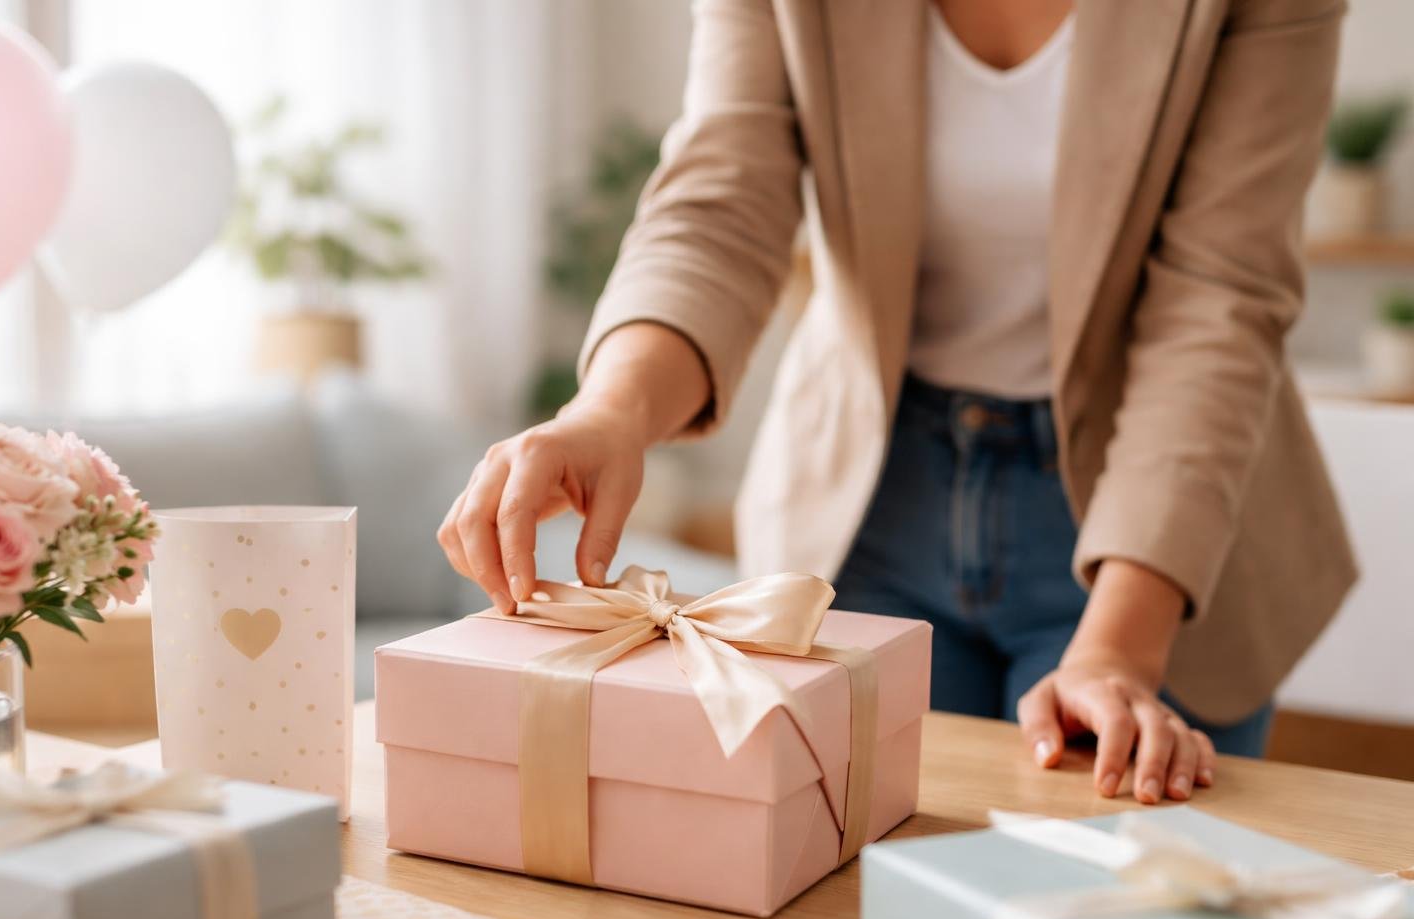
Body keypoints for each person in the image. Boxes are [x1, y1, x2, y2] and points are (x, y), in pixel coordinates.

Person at [438, 0, 1356, 804]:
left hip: (1150, 527)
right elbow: (722, 203)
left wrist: (1116, 649)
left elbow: (1217, 299)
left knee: (1115, 909)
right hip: (869, 503)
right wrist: (610, 411)